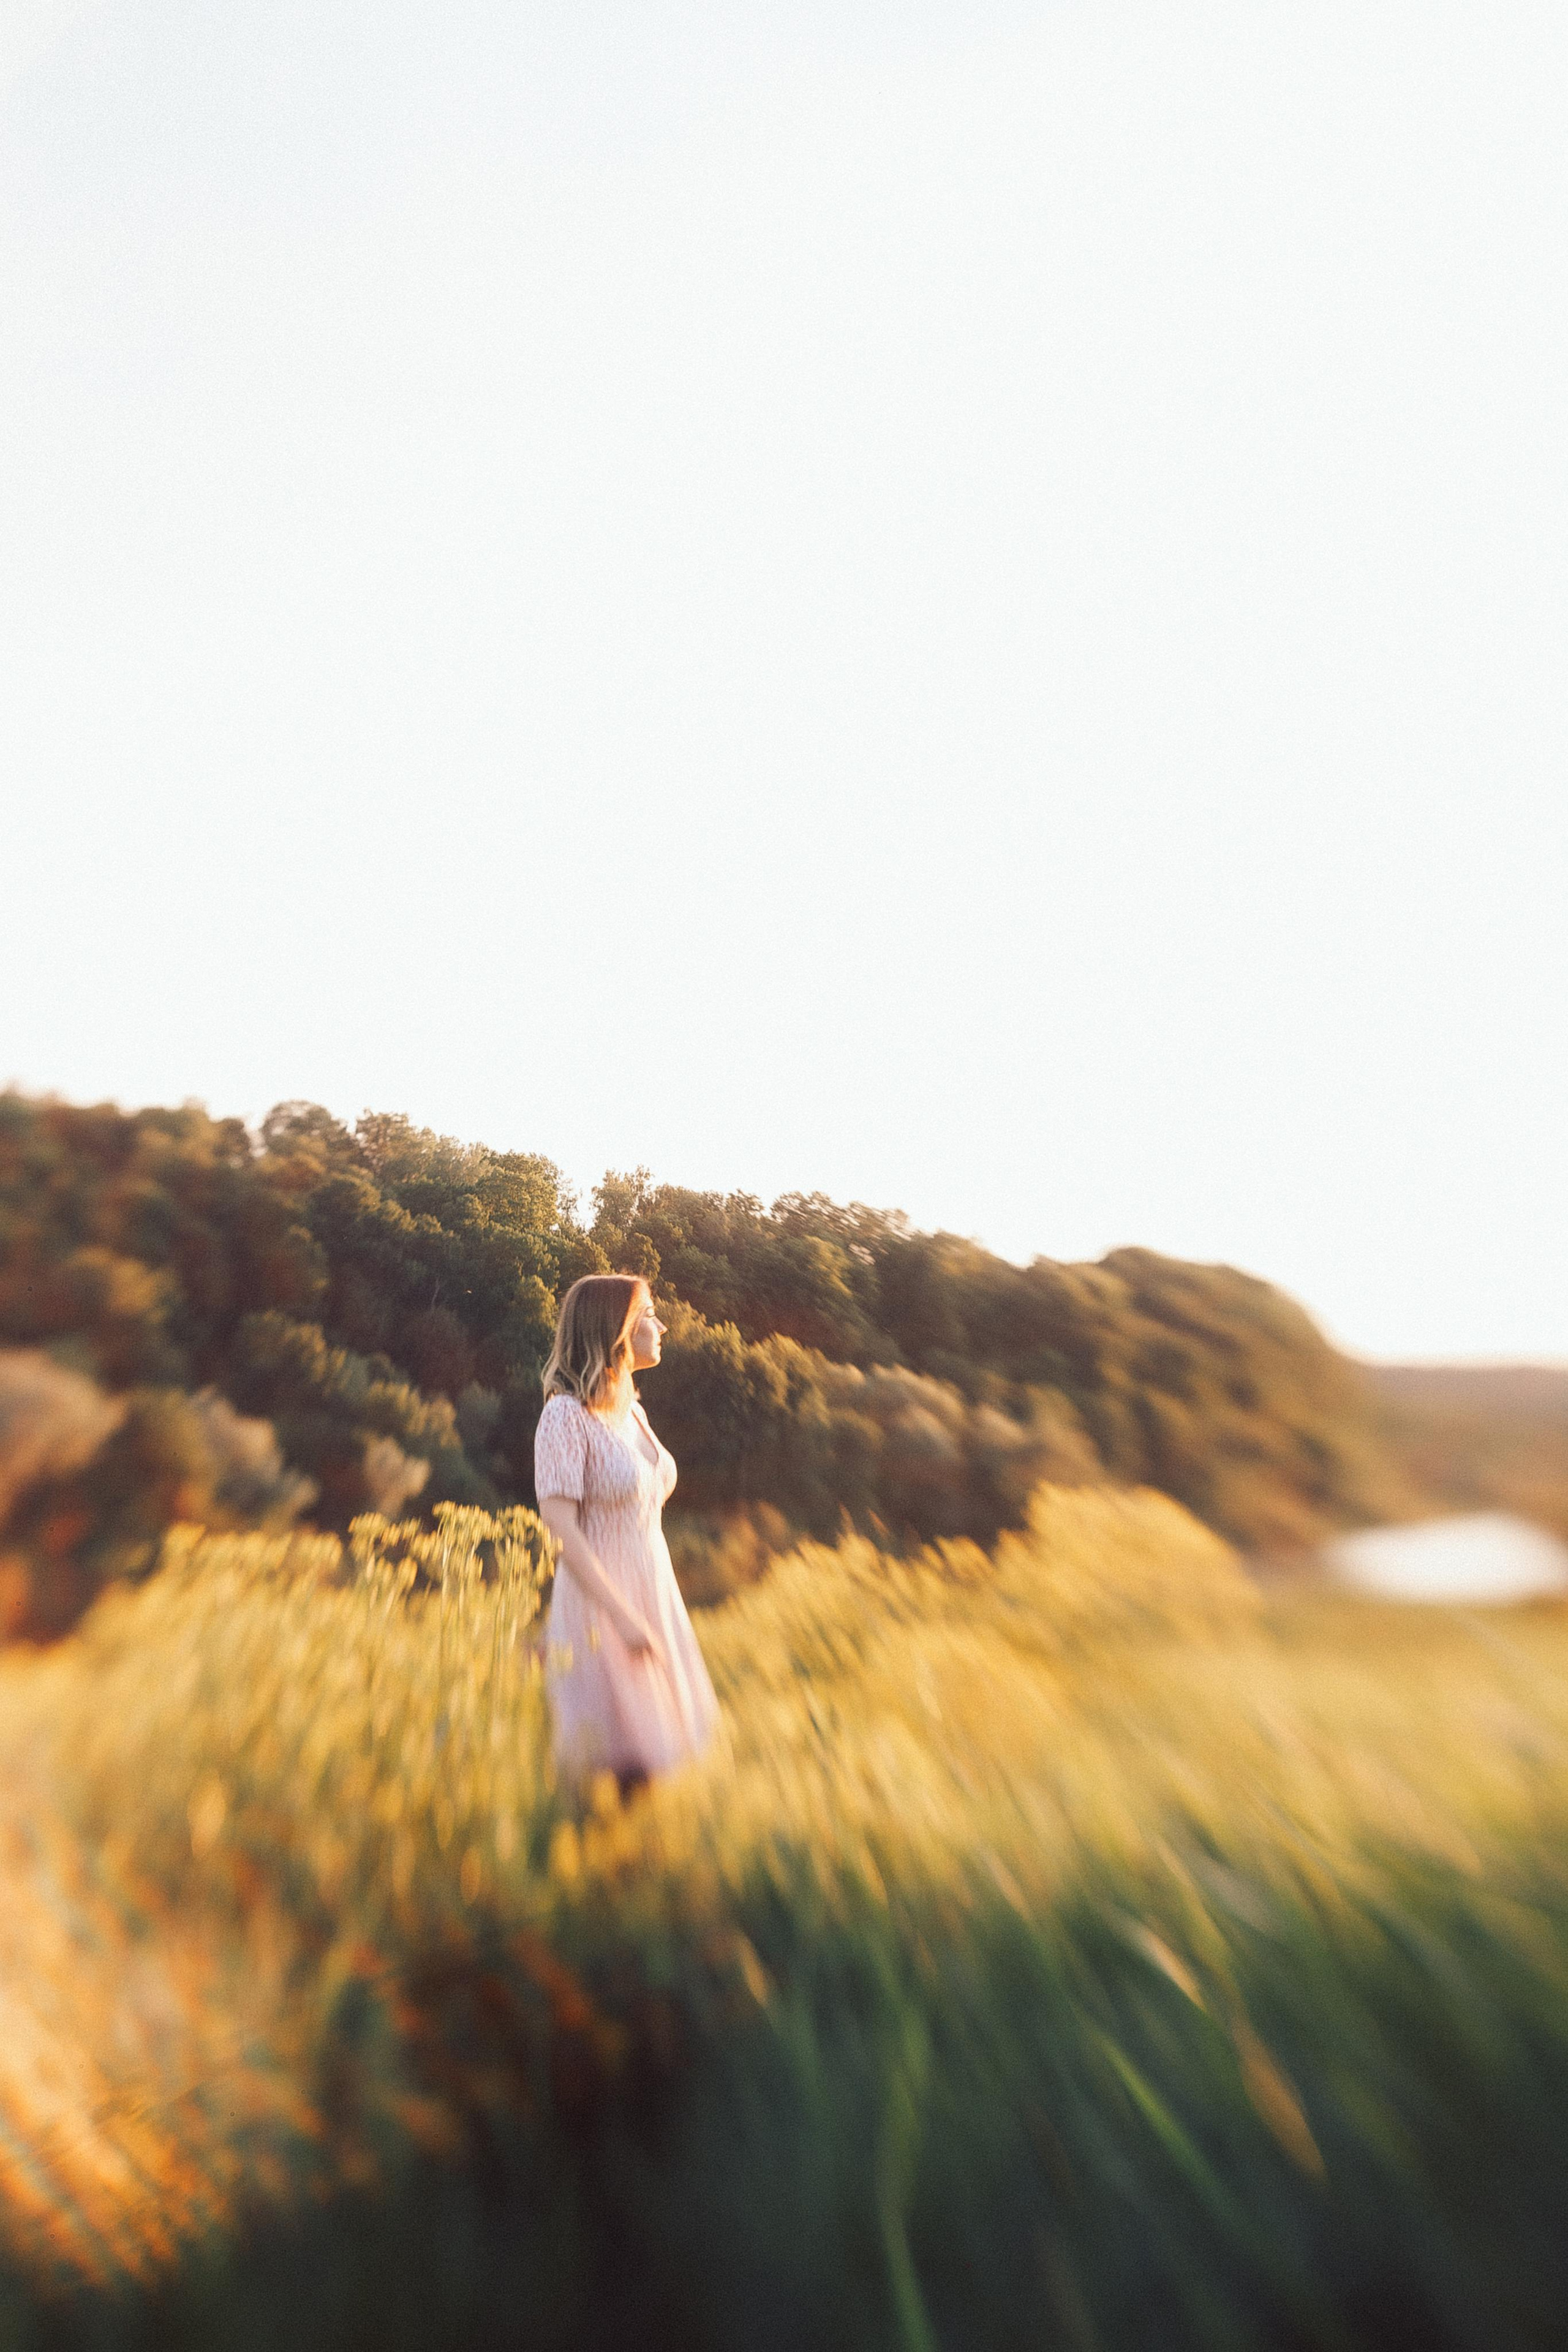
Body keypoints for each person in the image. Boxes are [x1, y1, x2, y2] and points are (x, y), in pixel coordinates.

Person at [533, 1273, 720, 1794]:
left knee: (655, 1758)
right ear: (616, 1331)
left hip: (652, 1590)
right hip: (602, 1608)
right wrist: (623, 1617)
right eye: (648, 1316)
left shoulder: (633, 1412)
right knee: (613, 1769)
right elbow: (560, 1525)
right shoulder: (564, 1417)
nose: (661, 1326)